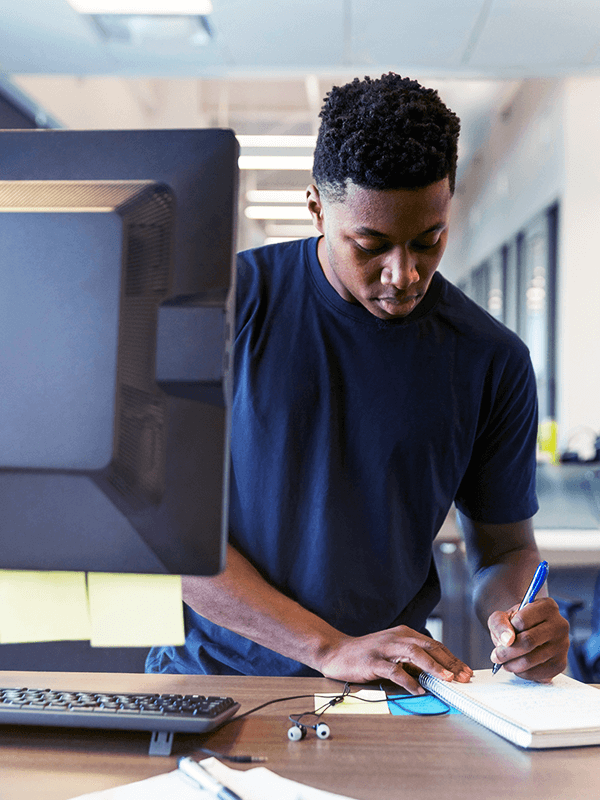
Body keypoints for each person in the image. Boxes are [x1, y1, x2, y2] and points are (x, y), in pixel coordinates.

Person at [147, 73, 569, 694]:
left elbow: (504, 552)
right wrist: (326, 647)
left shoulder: (490, 359)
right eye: (370, 245)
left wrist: (521, 622)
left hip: (384, 692)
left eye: (429, 241)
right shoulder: (223, 308)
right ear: (317, 205)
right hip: (213, 682)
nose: (404, 273)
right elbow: (166, 533)